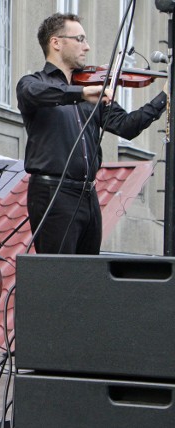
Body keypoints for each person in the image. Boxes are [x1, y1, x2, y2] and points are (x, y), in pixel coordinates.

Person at [16, 12, 167, 255]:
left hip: (88, 193)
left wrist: (164, 98)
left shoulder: (91, 89)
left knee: (88, 279)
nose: (87, 47)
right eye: (80, 39)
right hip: (53, 193)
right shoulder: (34, 83)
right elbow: (34, 93)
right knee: (59, 275)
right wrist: (81, 93)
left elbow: (127, 126)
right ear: (56, 42)